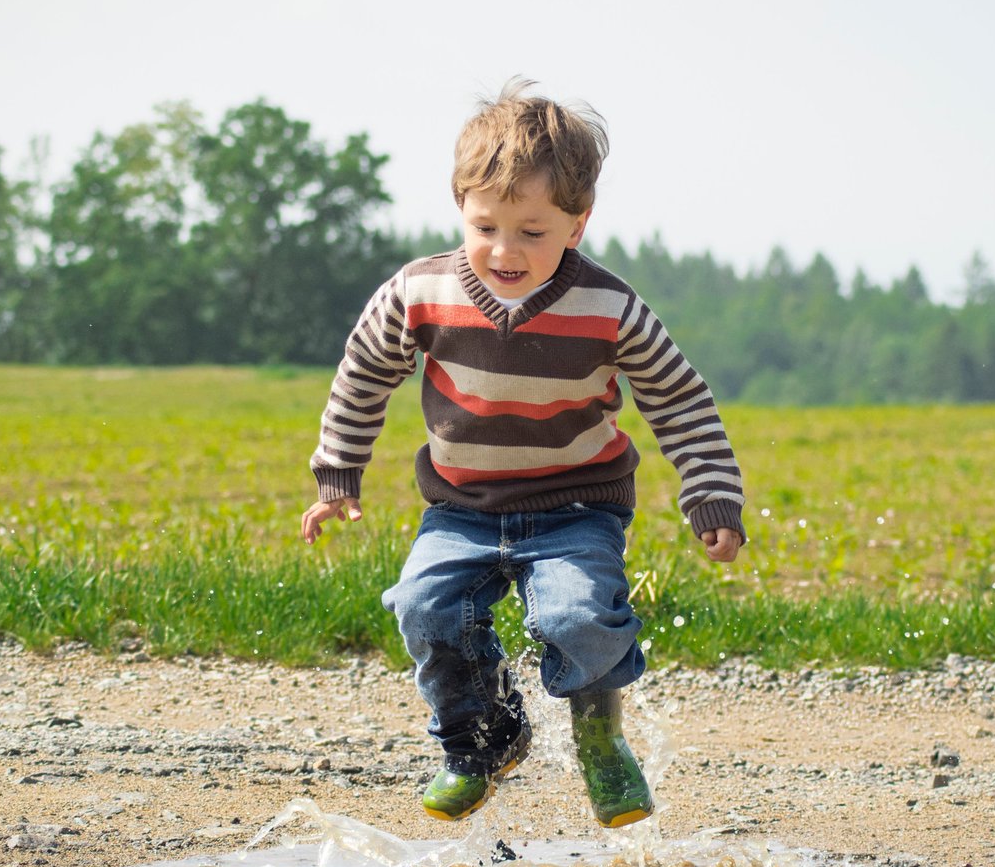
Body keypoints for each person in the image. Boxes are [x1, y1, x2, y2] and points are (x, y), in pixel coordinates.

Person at [302, 79, 744, 828]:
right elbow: (364, 372)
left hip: (577, 507)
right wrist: (337, 471)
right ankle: (483, 739)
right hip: (461, 508)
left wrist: (710, 495)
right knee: (425, 608)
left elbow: (679, 399)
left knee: (576, 619)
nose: (505, 251)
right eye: (486, 227)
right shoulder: (420, 291)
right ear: (462, 210)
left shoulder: (611, 309)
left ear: (577, 224)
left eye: (532, 232)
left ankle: (600, 734)